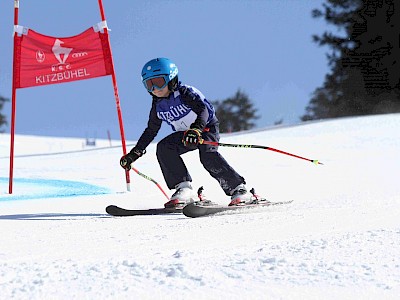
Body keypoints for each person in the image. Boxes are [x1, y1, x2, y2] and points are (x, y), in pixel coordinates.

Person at [120, 57, 259, 208]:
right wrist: (135, 153)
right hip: (186, 134)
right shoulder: (157, 105)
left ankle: (239, 190)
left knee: (207, 155)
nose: (155, 88)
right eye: (150, 84)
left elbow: (203, 110)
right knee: (164, 148)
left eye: (159, 82)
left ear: (171, 79)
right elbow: (151, 130)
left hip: (205, 128)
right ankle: (184, 189)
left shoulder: (185, 92)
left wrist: (196, 129)